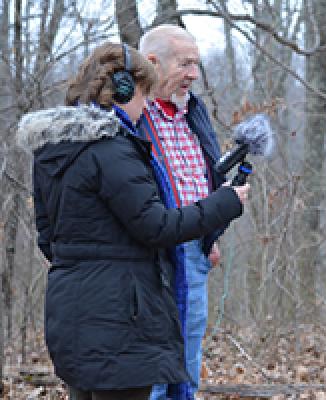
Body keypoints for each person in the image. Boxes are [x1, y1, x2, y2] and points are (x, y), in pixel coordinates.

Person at [17, 42, 249, 400]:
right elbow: (158, 227)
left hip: (69, 314)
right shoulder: (112, 149)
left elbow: (47, 238)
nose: (145, 107)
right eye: (144, 95)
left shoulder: (51, 149)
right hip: (122, 321)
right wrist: (224, 202)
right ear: (123, 90)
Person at [136, 25, 229, 399]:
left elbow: (206, 174)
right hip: (148, 255)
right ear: (153, 63)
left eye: (197, 64)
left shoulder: (194, 111)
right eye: (185, 63)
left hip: (194, 252)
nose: (193, 73)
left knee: (187, 361)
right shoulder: (130, 115)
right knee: (153, 361)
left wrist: (212, 237)